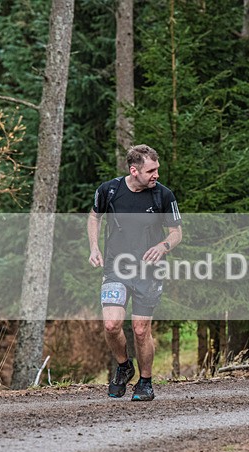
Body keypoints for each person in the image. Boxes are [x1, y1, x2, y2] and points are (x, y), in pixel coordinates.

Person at [87, 145, 182, 401]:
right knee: (111, 325)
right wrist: (94, 247)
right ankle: (123, 365)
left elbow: (176, 234)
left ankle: (146, 382)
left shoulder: (163, 196)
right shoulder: (109, 190)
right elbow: (94, 217)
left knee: (141, 330)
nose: (156, 175)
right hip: (115, 268)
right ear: (134, 170)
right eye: (151, 170)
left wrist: (162, 246)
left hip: (149, 273)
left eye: (157, 169)